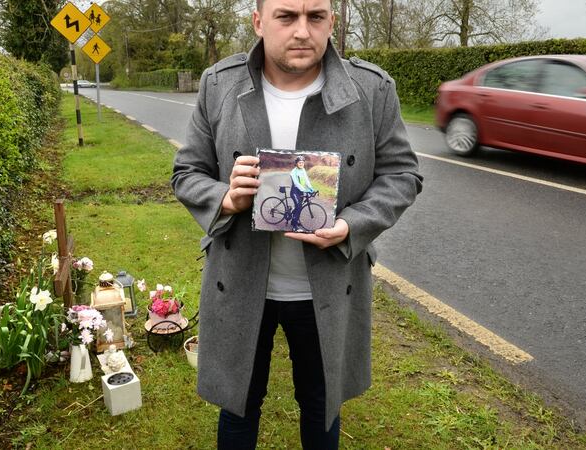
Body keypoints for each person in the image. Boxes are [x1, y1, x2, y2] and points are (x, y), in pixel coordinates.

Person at [171, 0, 422, 446]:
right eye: (286, 16)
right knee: (239, 404)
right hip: (242, 281)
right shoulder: (218, 85)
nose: (302, 31)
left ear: (331, 21)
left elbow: (402, 175)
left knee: (321, 404)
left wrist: (351, 226)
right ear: (258, 22)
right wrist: (225, 198)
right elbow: (186, 173)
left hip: (327, 285)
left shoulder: (372, 89)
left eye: (315, 17)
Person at [289, 155, 315, 232]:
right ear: (296, 163)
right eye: (299, 162)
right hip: (294, 192)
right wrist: (304, 190)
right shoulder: (293, 172)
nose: (301, 164)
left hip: (301, 192)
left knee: (298, 207)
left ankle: (295, 219)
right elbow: (296, 183)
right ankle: (294, 226)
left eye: (302, 162)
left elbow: (306, 180)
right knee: (299, 206)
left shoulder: (303, 170)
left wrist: (311, 188)